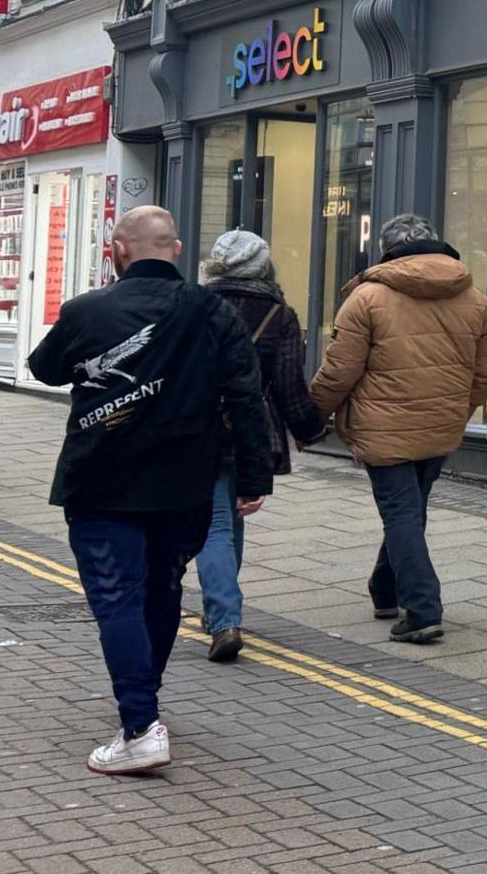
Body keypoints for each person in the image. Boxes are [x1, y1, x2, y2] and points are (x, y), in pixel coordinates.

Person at [27, 206, 273, 776]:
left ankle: (140, 725)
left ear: (116, 251)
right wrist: (253, 479)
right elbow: (245, 398)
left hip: (100, 480)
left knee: (117, 600)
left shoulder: (88, 310)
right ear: (178, 249)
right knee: (161, 594)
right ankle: (145, 707)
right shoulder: (213, 312)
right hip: (183, 484)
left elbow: (44, 369)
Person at [310, 213, 487, 645]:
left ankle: (422, 609)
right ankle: (385, 590)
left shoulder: (367, 298)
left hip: (384, 427)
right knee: (410, 510)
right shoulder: (474, 299)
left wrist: (311, 414)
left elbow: (340, 371)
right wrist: (461, 407)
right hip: (441, 425)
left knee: (401, 512)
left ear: (387, 249)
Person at [194, 230, 328, 663]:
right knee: (230, 519)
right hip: (251, 428)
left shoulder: (194, 307)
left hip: (197, 428)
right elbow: (290, 385)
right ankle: (222, 610)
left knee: (215, 522)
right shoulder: (278, 314)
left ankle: (222, 615)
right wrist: (309, 430)